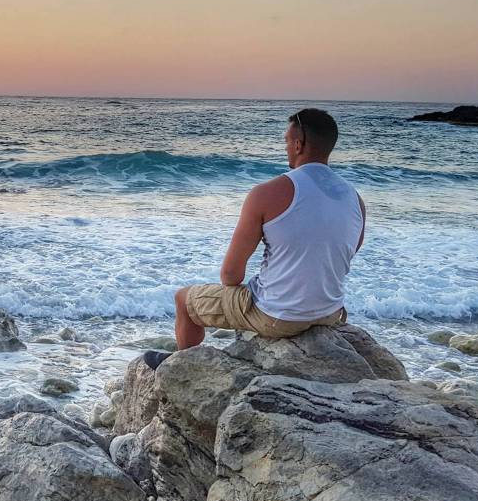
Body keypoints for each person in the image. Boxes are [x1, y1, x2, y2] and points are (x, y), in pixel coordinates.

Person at [146, 108, 365, 370]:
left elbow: (230, 275)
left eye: (287, 141)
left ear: (299, 144)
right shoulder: (355, 199)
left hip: (278, 316)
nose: (286, 147)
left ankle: (180, 369)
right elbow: (345, 253)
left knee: (183, 299)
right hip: (330, 313)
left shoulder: (266, 193)